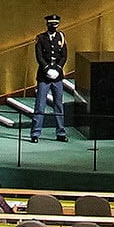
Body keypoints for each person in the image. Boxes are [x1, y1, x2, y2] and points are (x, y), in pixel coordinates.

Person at [33, 14, 73, 142]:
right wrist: (46, 68)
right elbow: (39, 56)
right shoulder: (41, 38)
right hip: (44, 77)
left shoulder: (61, 37)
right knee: (40, 105)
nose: (53, 26)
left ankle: (61, 133)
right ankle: (35, 133)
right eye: (51, 24)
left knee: (58, 105)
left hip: (57, 76)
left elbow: (64, 55)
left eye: (55, 24)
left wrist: (58, 68)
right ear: (47, 25)